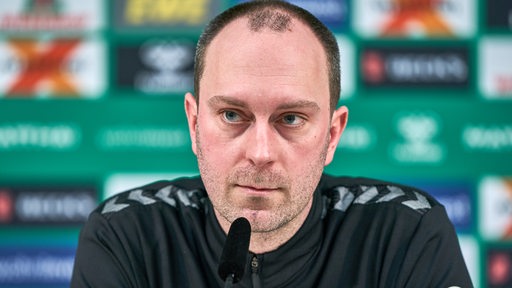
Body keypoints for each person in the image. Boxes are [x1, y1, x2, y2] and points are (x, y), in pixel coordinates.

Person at [71, 1, 473, 287]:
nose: (260, 152)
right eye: (232, 115)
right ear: (194, 123)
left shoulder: (407, 232)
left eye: (291, 119)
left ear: (332, 135)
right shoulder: (125, 234)